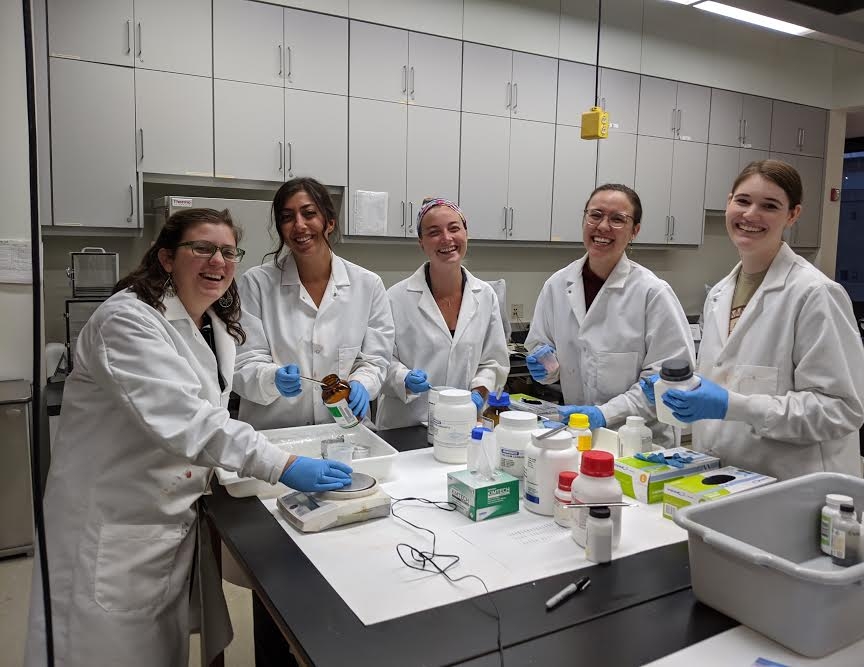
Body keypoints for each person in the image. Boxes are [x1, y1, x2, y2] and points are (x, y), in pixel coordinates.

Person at [24, 209, 352, 667]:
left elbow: (211, 413)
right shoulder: (126, 321)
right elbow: (189, 421)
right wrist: (284, 465)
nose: (217, 260)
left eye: (227, 251)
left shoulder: (213, 324)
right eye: (201, 247)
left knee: (160, 647)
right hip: (112, 522)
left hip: (165, 518)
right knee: (101, 650)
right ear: (165, 258)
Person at [643, 160, 864, 479]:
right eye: (743, 201)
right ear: (729, 202)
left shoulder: (815, 294)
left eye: (770, 206)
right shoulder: (719, 294)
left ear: (793, 215)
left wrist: (732, 406)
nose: (750, 215)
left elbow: (841, 411)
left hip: (794, 489)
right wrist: (680, 392)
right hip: (725, 481)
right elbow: (728, 382)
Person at [524, 184, 694, 445]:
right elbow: (544, 353)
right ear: (584, 219)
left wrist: (604, 414)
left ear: (634, 231)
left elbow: (666, 382)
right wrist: (544, 366)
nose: (603, 226)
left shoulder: (652, 293)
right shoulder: (557, 286)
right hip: (579, 438)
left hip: (642, 445)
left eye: (617, 219)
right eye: (595, 215)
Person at [233, 177, 394, 430]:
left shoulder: (368, 285)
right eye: (287, 217)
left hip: (344, 433)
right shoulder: (256, 284)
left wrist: (363, 382)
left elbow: (375, 359)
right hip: (276, 437)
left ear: (329, 222)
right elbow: (243, 362)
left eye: (309, 214)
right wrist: (270, 378)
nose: (299, 225)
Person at [375, 198, 509, 429]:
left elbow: (493, 361)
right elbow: (379, 361)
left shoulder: (486, 296)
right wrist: (402, 378)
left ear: (466, 233)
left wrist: (480, 391)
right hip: (406, 427)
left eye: (454, 228)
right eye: (434, 232)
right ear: (421, 243)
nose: (446, 238)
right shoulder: (395, 298)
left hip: (462, 425)